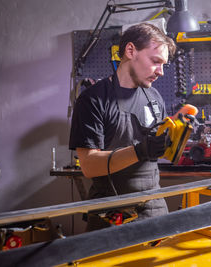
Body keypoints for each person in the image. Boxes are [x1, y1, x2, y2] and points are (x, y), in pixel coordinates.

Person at [69, 23, 177, 230]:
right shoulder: (93, 99)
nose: (161, 72)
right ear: (130, 51)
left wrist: (176, 137)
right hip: (111, 210)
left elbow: (161, 151)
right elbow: (89, 166)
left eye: (164, 64)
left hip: (154, 207)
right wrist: (140, 151)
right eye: (155, 61)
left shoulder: (154, 98)